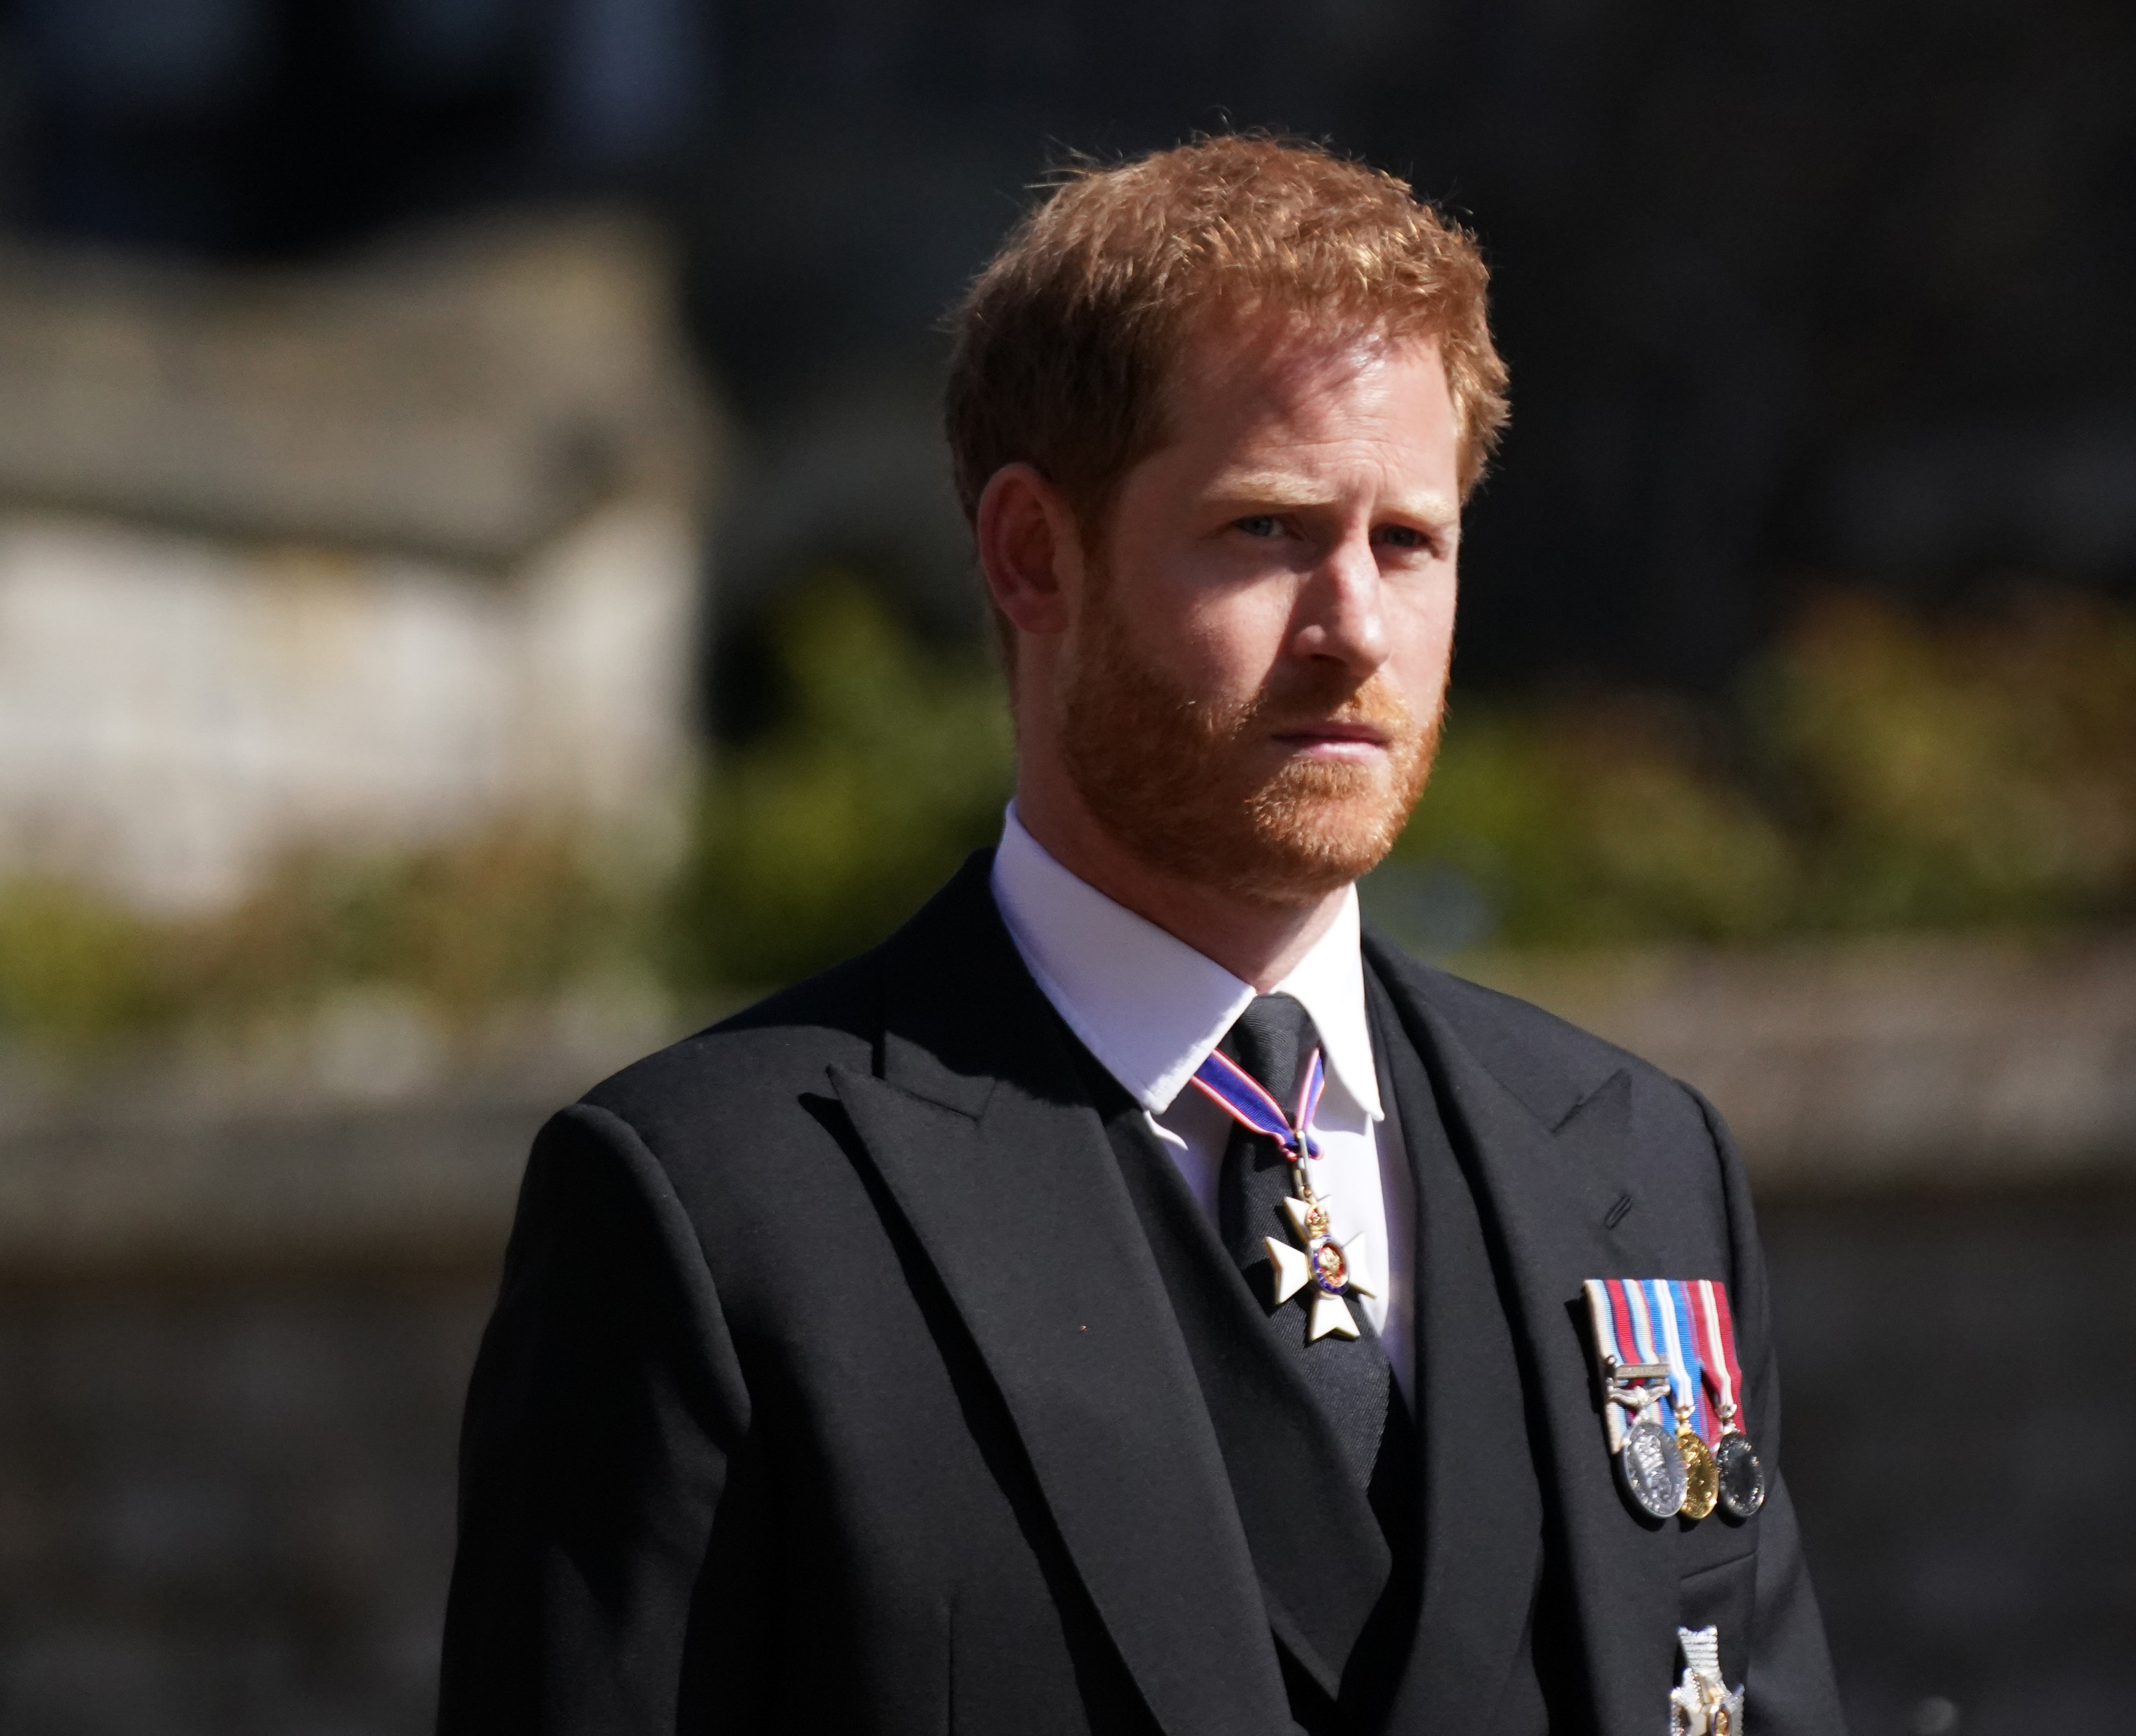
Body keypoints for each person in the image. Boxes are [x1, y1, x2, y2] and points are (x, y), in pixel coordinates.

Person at [438, 135, 1844, 1736]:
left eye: (1409, 542)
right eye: (1268, 531)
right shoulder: (720, 1211)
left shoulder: (1641, 1167)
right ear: (1036, 553)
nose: (1356, 631)